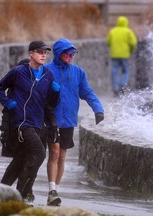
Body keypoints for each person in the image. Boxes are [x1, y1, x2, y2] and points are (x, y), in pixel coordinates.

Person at [0, 40, 60, 206]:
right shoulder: (18, 72)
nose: (43, 55)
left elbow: (49, 104)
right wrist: (7, 103)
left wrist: (55, 93)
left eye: (45, 52)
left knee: (20, 160)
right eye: (40, 52)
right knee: (39, 153)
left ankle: (1, 191)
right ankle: (20, 193)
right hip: (21, 123)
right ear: (31, 53)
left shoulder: (48, 75)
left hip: (38, 124)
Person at [44, 38, 104, 206]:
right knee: (54, 153)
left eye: (72, 54)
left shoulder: (78, 72)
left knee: (62, 156)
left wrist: (98, 109)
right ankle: (51, 190)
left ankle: (55, 191)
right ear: (58, 54)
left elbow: (87, 92)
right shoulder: (47, 70)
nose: (71, 57)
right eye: (68, 54)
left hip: (69, 120)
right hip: (51, 119)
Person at [107, 16, 137, 97]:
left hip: (114, 55)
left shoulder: (113, 31)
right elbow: (133, 43)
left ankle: (115, 89)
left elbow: (108, 42)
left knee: (115, 72)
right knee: (125, 71)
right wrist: (130, 50)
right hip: (125, 55)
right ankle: (123, 85)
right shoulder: (128, 32)